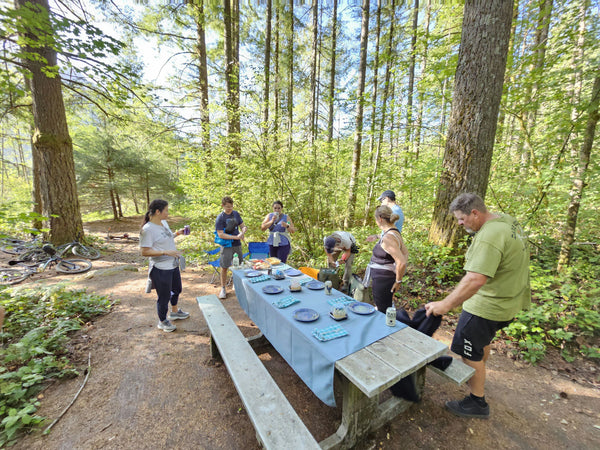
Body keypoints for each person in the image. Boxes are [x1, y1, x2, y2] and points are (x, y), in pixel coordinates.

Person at [425, 193, 530, 419]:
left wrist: (445, 305)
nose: (459, 224)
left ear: (475, 213)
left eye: (461, 219)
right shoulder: (506, 221)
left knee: (468, 350)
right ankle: (479, 376)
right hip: (509, 301)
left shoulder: (488, 237)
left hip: (487, 308)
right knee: (481, 343)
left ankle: (477, 402)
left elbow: (475, 279)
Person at [140, 199, 190, 333]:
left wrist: (177, 234)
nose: (168, 213)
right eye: (166, 210)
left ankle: (174, 312)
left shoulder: (164, 223)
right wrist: (165, 252)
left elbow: (166, 238)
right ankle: (162, 321)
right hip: (161, 268)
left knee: (177, 289)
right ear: (158, 212)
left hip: (173, 265)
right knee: (164, 296)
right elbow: (145, 251)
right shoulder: (147, 229)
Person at [365, 205, 408, 312]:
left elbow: (401, 262)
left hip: (383, 280)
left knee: (383, 310)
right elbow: (405, 253)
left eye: (375, 219)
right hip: (385, 278)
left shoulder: (388, 238)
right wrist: (376, 236)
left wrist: (398, 280)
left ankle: (384, 327)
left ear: (380, 219)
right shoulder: (394, 232)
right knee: (385, 306)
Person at [215, 196, 247, 299]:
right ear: (223, 206)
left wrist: (243, 231)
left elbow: (243, 225)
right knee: (224, 266)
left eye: (231, 206)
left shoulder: (236, 214)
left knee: (239, 265)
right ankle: (223, 288)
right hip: (226, 245)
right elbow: (220, 234)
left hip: (237, 244)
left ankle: (238, 285)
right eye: (227, 207)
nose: (229, 208)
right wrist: (235, 237)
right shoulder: (220, 218)